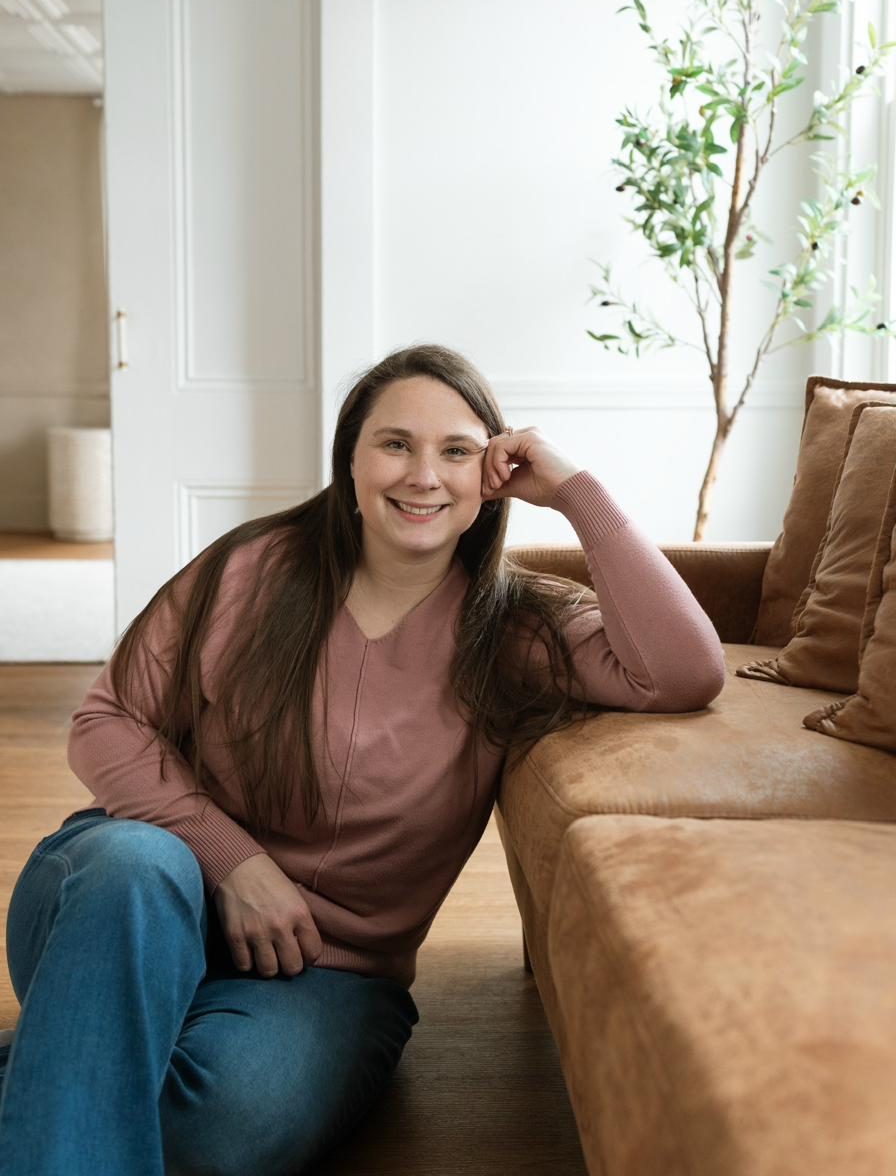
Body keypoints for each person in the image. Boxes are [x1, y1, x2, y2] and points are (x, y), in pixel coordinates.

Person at [0, 343, 725, 1175]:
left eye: (456, 451)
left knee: (218, 1132)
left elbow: (684, 671)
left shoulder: (517, 627)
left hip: (327, 979)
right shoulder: (251, 569)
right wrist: (232, 861)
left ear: (492, 475)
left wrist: (574, 495)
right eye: (395, 444)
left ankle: (71, 1051)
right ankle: (89, 1041)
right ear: (349, 461)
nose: (423, 475)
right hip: (132, 907)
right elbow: (107, 720)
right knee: (133, 862)